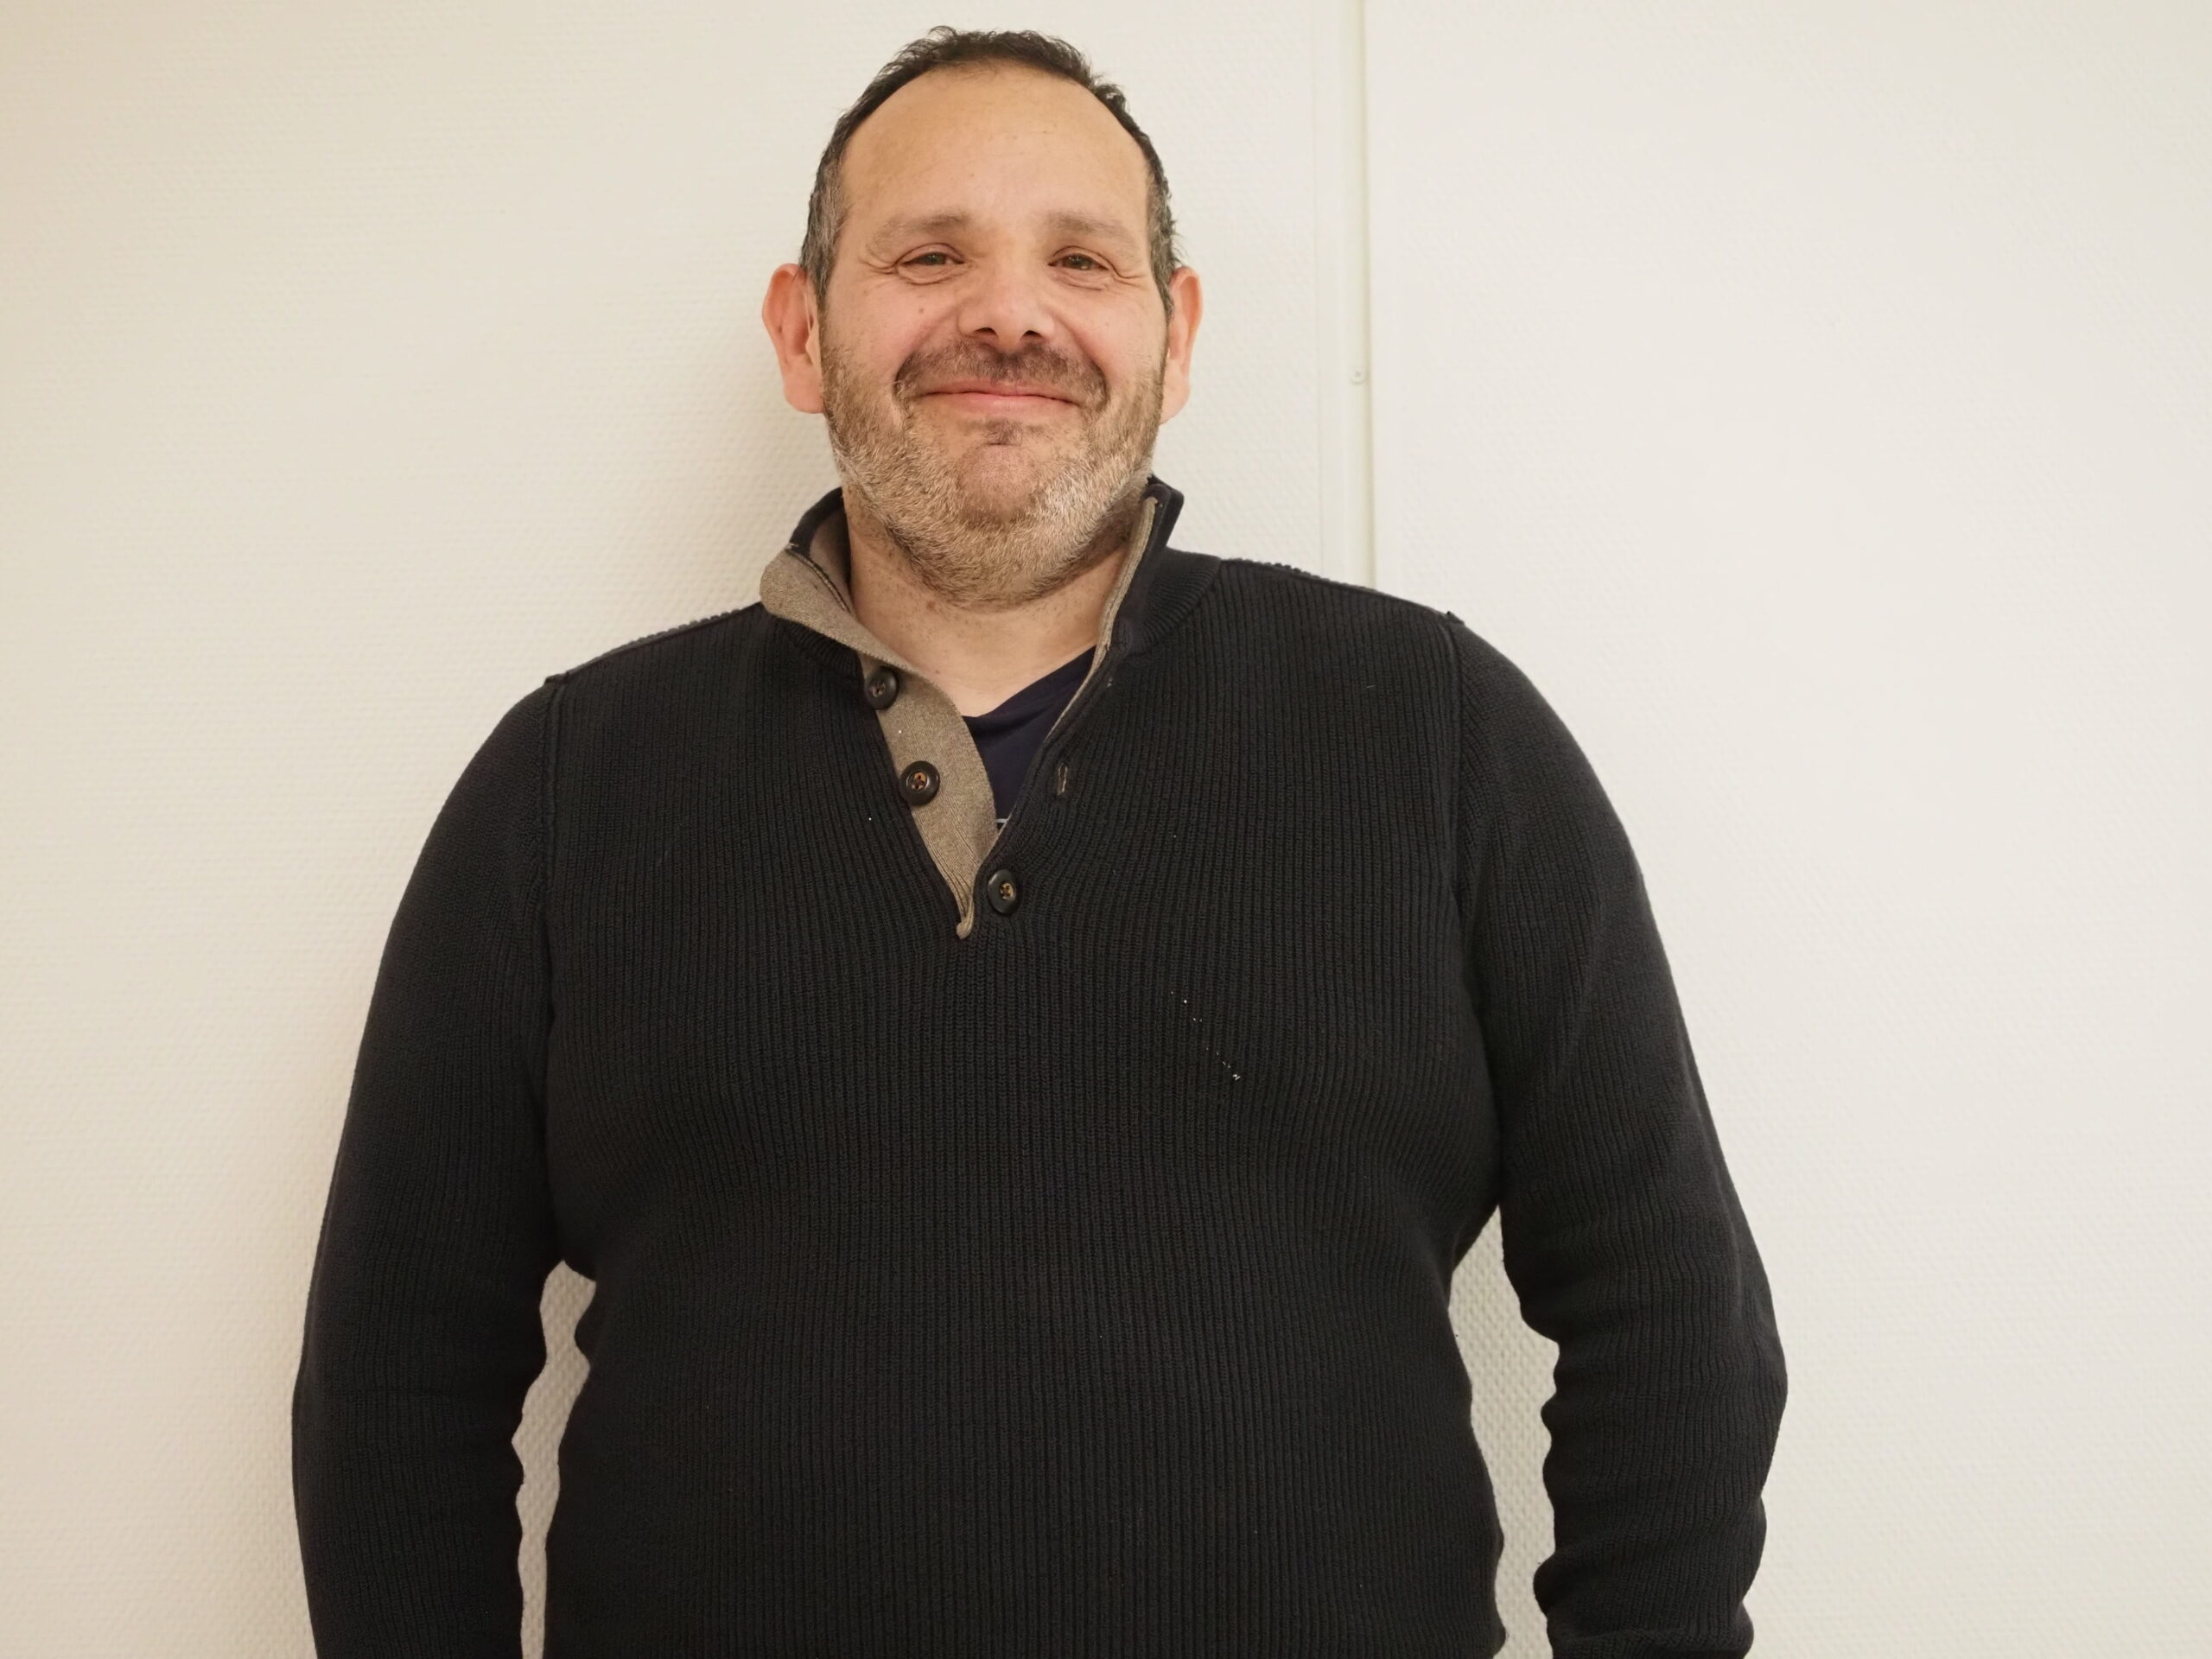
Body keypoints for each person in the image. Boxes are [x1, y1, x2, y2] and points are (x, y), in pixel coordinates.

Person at [290, 26, 1786, 1658]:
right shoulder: (567, 784)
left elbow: (1668, 1316)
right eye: (930, 255)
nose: (1009, 313)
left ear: (1175, 334)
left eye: (1080, 258)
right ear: (802, 332)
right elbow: (398, 1380)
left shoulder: (1439, 732)